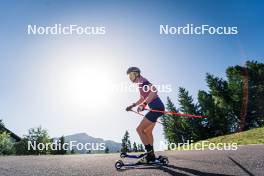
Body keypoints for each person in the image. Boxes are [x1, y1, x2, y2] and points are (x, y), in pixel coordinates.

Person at [126, 67, 165, 163]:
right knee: (147, 132)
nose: (130, 77)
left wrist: (144, 104)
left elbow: (154, 90)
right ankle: (151, 154)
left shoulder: (143, 81)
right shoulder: (140, 84)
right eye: (129, 76)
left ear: (136, 74)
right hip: (157, 108)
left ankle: (149, 155)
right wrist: (133, 105)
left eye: (131, 75)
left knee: (139, 129)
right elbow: (142, 98)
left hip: (156, 108)